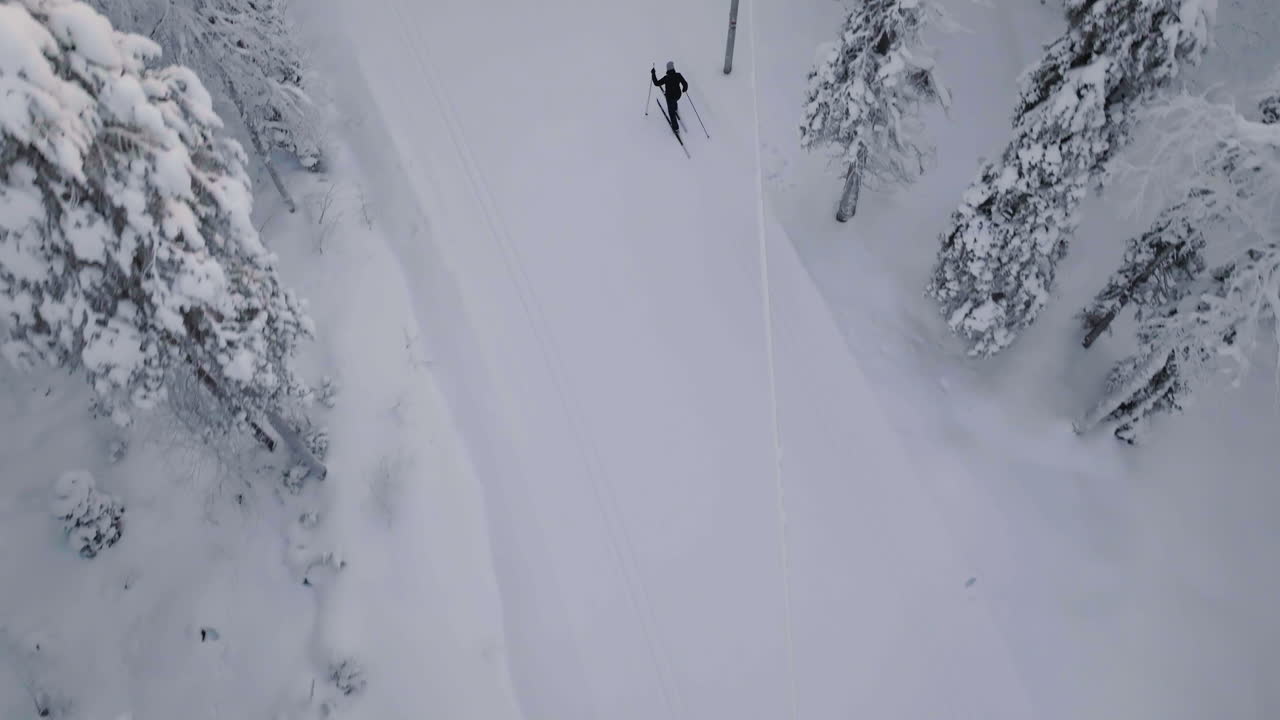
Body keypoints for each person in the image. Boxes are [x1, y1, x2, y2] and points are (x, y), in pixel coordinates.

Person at [651, 61, 689, 137]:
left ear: (667, 69)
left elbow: (656, 83)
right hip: (678, 95)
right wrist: (684, 89)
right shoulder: (678, 75)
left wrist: (653, 74)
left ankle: (676, 128)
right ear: (673, 68)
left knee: (671, 113)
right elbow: (685, 84)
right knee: (674, 101)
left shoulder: (666, 78)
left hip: (670, 97)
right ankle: (675, 108)